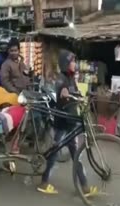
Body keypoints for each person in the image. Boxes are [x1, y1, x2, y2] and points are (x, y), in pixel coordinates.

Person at [37, 49, 89, 195]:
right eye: (72, 61)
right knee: (55, 152)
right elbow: (63, 93)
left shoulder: (71, 78)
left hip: (71, 120)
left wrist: (81, 96)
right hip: (62, 121)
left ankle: (84, 186)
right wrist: (67, 95)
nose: (75, 64)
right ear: (66, 63)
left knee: (75, 153)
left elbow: (76, 92)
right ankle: (44, 181)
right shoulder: (61, 79)